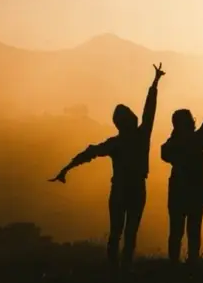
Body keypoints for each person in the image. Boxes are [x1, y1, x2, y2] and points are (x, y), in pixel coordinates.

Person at [48, 63, 165, 270]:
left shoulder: (116, 143)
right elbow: (149, 111)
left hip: (121, 189)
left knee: (117, 232)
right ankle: (123, 269)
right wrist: (154, 84)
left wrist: (66, 169)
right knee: (128, 233)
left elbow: (88, 153)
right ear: (128, 120)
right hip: (134, 188)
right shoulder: (140, 136)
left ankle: (115, 270)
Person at [161, 77, 203, 265]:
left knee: (176, 230)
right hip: (196, 189)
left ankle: (174, 264)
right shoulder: (197, 140)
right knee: (193, 229)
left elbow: (164, 154)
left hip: (178, 190)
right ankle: (192, 262)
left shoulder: (171, 145)